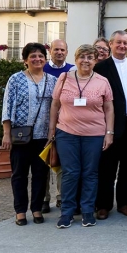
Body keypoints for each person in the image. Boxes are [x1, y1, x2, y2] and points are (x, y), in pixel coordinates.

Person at [49, 44, 114, 228]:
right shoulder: (63, 78)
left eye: (90, 57)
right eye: (82, 57)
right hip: (66, 133)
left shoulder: (102, 81)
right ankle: (67, 213)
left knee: (90, 173)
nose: (86, 60)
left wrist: (109, 133)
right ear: (76, 59)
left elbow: (109, 108)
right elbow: (55, 105)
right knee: (70, 173)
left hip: (94, 134)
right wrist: (51, 130)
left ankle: (87, 211)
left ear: (95, 60)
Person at [2, 43, 57, 226]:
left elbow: (56, 107)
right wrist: (6, 133)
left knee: (41, 174)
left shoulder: (52, 80)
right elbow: (7, 107)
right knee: (19, 175)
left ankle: (36, 209)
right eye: (33, 56)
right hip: (20, 136)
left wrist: (53, 131)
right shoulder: (15, 79)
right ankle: (20, 211)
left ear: (45, 58)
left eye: (41, 56)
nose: (37, 59)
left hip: (43, 136)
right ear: (25, 60)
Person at [93, 31, 127, 220]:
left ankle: (124, 203)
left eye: (125, 43)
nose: (122, 46)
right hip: (109, 125)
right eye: (118, 42)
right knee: (107, 167)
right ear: (111, 44)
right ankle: (103, 205)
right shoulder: (101, 68)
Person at [42, 38, 75, 213]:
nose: (59, 52)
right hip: (43, 123)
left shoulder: (72, 70)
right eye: (56, 50)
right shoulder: (42, 68)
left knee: (61, 162)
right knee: (45, 161)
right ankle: (45, 199)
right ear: (51, 51)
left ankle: (61, 197)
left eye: (62, 50)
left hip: (65, 122)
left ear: (67, 52)